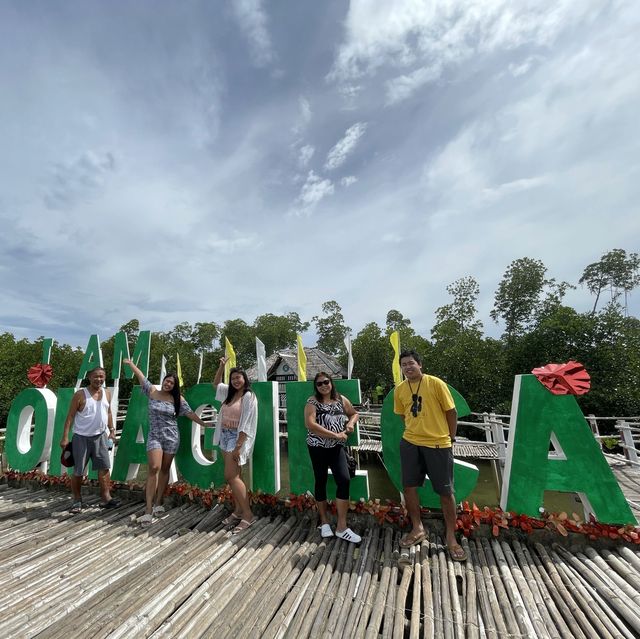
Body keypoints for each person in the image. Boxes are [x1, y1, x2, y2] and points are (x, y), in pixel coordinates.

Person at [394, 349, 467, 561]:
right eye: (404, 365)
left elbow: (451, 412)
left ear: (420, 365)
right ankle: (417, 527)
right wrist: (413, 433)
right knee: (408, 487)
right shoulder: (400, 390)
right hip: (410, 443)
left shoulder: (435, 383)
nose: (408, 367)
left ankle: (451, 537)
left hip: (438, 444)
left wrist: (450, 438)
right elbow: (403, 416)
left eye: (411, 363)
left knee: (445, 492)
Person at [124, 358, 207, 525]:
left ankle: (159, 501)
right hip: (155, 436)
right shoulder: (152, 392)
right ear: (163, 381)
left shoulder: (178, 399)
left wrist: (204, 423)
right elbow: (141, 377)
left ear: (174, 386)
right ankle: (148, 509)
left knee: (165, 469)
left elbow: (190, 414)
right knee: (154, 467)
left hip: (171, 437)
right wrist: (132, 365)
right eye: (166, 381)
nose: (168, 384)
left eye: (171, 383)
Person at [304, 372, 361, 543]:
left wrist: (350, 424)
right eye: (319, 384)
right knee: (320, 480)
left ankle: (342, 526)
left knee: (344, 480)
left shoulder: (341, 399)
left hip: (336, 448)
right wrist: (335, 435)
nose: (323, 386)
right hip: (317, 447)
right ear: (316, 386)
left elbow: (354, 413)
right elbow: (311, 424)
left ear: (331, 383)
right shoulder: (312, 402)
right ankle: (324, 521)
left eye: (326, 382)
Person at [59, 366, 120, 513]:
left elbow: (109, 413)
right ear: (89, 377)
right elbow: (70, 417)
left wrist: (112, 430)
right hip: (81, 438)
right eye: (96, 376)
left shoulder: (107, 393)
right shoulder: (80, 395)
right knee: (79, 470)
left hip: (100, 436)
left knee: (104, 468)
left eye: (102, 376)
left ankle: (106, 498)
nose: (99, 379)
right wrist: (65, 437)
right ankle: (77, 500)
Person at [213, 357, 258, 533]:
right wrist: (221, 366)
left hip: (236, 438)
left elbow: (247, 421)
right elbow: (216, 384)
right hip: (224, 435)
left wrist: (239, 445)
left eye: (239, 377)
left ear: (245, 379)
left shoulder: (248, 396)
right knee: (236, 475)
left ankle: (248, 515)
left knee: (231, 476)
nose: (236, 381)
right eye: (233, 378)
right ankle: (238, 510)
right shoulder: (229, 394)